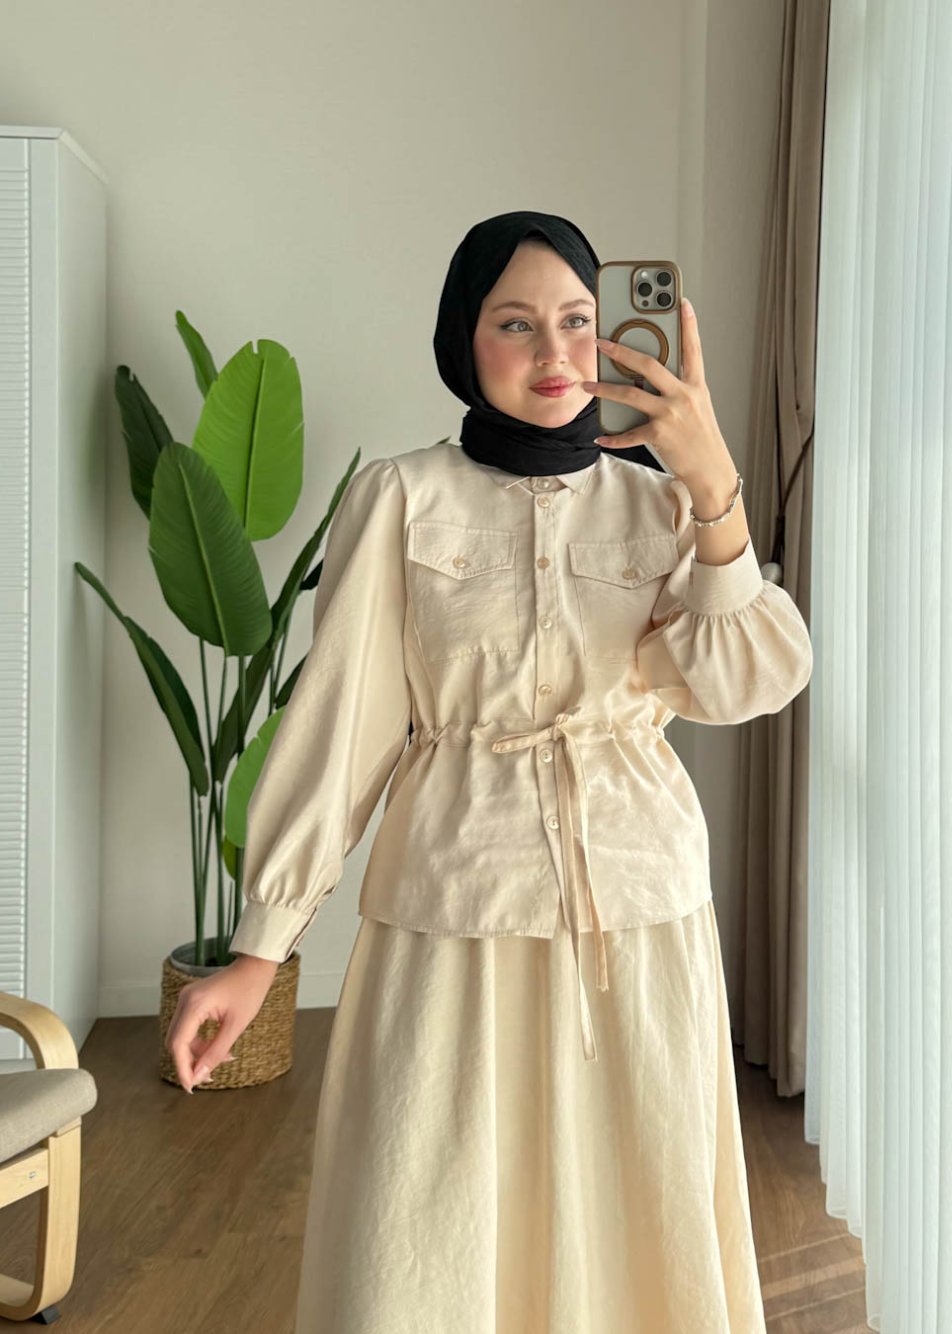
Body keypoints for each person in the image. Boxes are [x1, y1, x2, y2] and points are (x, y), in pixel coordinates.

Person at [167, 210, 813, 1332]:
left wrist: (715, 489)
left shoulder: (663, 503)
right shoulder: (400, 496)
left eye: (578, 319)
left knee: (635, 1208)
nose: (555, 351)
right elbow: (341, 726)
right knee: (425, 1215)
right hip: (451, 905)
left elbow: (740, 678)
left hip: (639, 913)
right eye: (515, 323)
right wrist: (259, 951)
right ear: (463, 340)